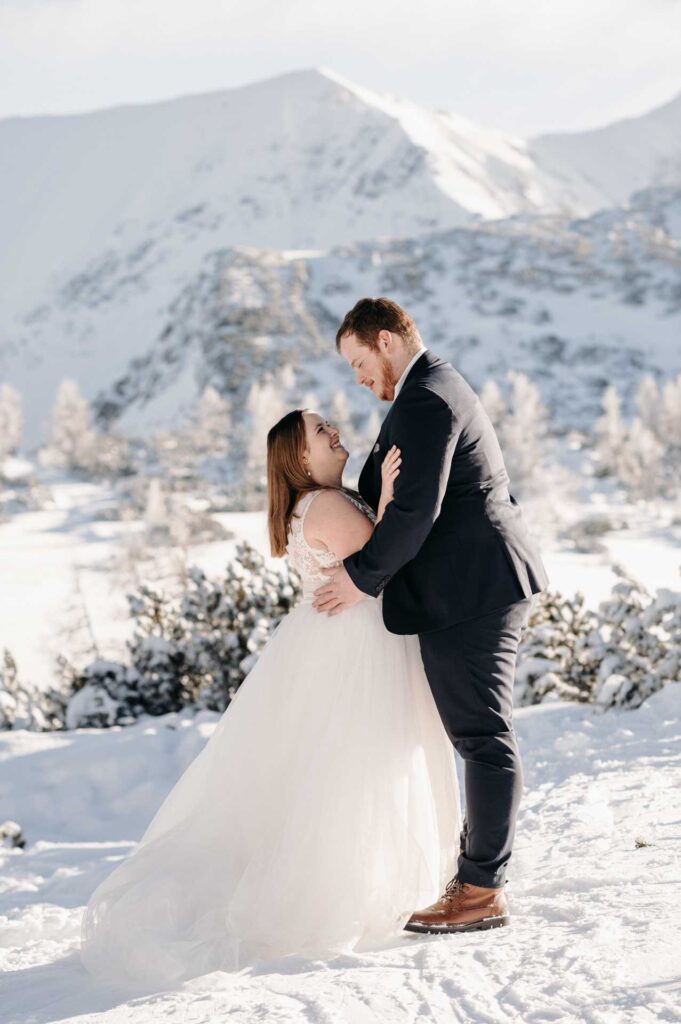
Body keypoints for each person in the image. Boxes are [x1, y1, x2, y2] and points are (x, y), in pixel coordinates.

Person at [79, 408, 460, 990]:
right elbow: (385, 558)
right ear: (301, 459)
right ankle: (350, 885)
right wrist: (388, 495)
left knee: (344, 766)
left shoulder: (320, 501)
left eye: (330, 425)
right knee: (360, 764)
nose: (335, 432)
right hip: (356, 649)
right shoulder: (326, 504)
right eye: (321, 433)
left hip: (342, 641)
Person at [313, 297, 549, 934]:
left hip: (475, 589)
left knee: (481, 735)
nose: (359, 379)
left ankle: (480, 889)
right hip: (467, 586)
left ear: (388, 340)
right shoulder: (427, 390)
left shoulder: (426, 398)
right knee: (474, 734)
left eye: (360, 362)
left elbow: (415, 514)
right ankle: (475, 874)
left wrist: (360, 580)